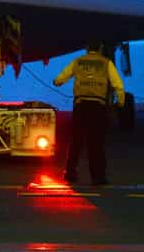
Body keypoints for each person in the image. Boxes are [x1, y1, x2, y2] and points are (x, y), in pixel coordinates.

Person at [53, 39, 125, 185]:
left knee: (76, 142)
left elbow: (59, 80)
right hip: (98, 107)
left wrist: (57, 82)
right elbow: (118, 85)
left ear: (86, 48)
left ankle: (70, 173)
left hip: (81, 106)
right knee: (96, 144)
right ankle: (98, 178)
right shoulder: (106, 63)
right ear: (100, 48)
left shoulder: (78, 62)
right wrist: (120, 102)